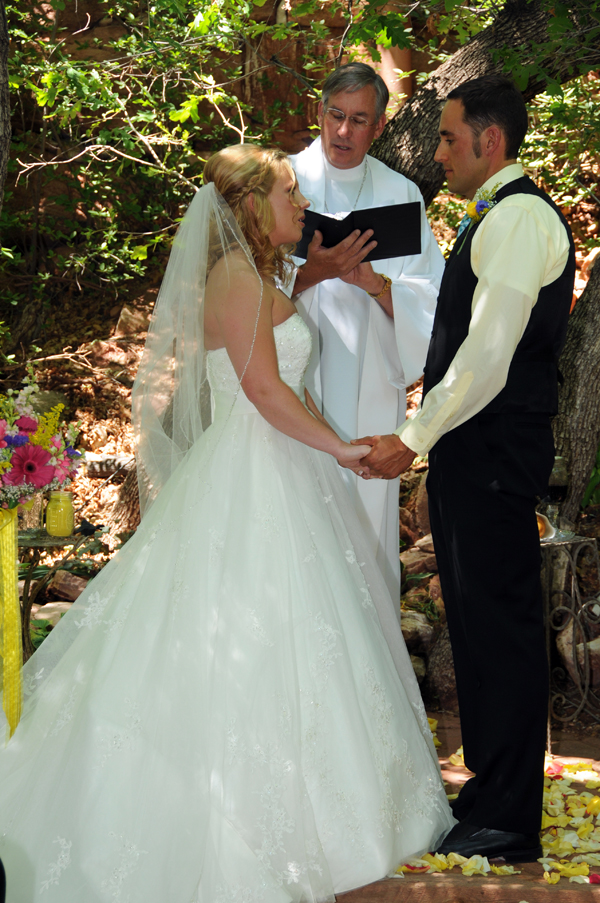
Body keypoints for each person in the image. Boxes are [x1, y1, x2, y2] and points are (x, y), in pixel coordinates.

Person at [0, 144, 453, 903]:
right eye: (288, 193)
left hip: (280, 467)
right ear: (250, 205)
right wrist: (342, 448)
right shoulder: (236, 279)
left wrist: (313, 292)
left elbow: (277, 374)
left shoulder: (258, 274)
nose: (301, 204)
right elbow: (266, 394)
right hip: (254, 468)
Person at [358, 75, 576, 861]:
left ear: (490, 140)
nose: (440, 153)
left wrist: (412, 436)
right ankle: (490, 790)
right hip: (472, 450)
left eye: (449, 138)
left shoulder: (518, 219)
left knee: (502, 626)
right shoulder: (494, 215)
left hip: (494, 450)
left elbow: (488, 354)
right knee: (478, 625)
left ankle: (510, 819)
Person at [289, 63, 445, 612]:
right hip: (293, 374)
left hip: (371, 381)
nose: (343, 131)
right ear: (319, 111)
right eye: (335, 115)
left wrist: (376, 285)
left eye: (359, 120)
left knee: (362, 516)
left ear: (379, 126)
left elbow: (432, 299)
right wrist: (313, 272)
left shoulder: (400, 194)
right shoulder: (282, 183)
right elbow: (241, 286)